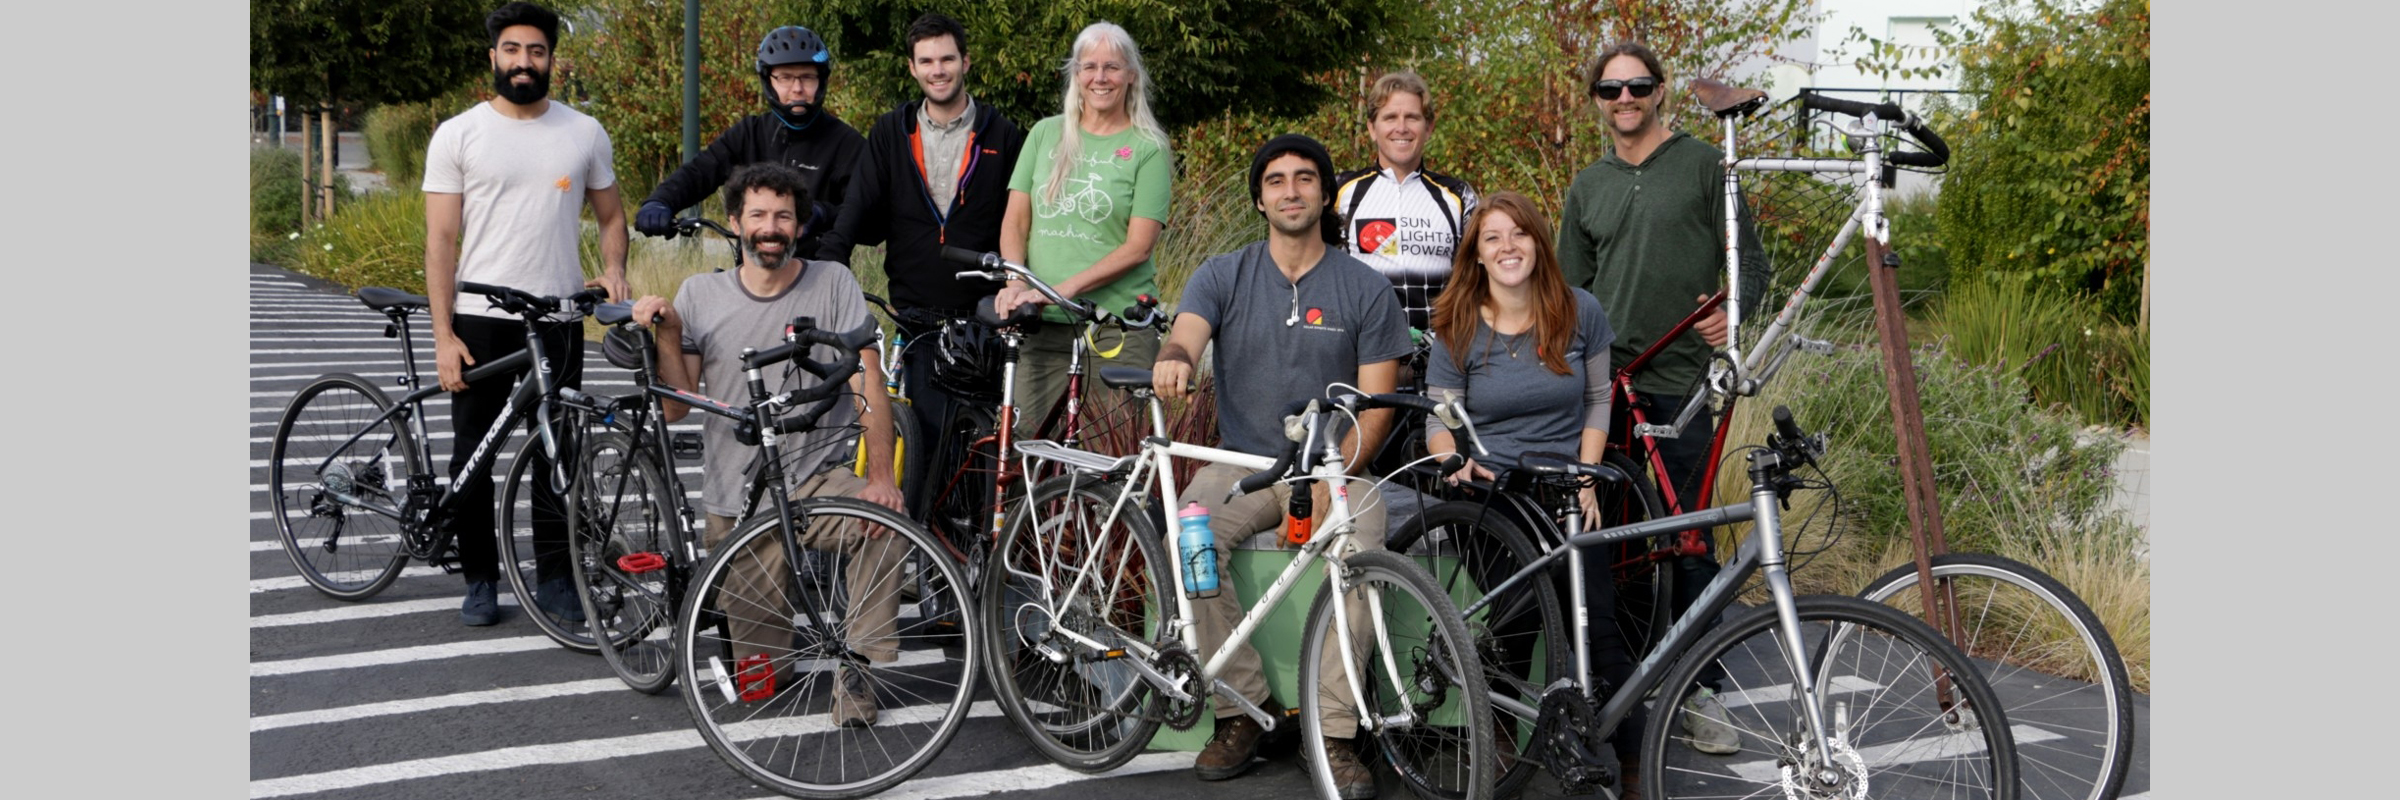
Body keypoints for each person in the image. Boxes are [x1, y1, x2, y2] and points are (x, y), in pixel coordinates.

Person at [1152, 134, 1411, 800]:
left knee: (1358, 537)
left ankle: (1330, 733)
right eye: (1275, 180)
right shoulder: (1224, 274)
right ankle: (1242, 711)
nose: (1290, 190)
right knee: (1190, 530)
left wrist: (1336, 474)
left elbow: (1377, 404)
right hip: (1245, 461)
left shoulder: (1364, 287)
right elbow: (1187, 330)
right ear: (1260, 197)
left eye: (1304, 179)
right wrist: (1177, 355)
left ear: (1326, 194)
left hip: (1336, 465)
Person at [629, 163, 906, 727]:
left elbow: (868, 380)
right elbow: (676, 405)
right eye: (757, 215)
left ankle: (856, 671)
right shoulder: (700, 294)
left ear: (799, 225)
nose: (771, 227)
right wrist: (666, 331)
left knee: (885, 527)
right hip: (738, 500)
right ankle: (735, 620)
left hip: (816, 479)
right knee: (765, 681)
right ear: (736, 224)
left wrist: (881, 479)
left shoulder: (833, 283)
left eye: (783, 215)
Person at [1554, 41, 1770, 756]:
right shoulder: (1589, 185)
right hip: (1603, 389)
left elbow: (1752, 266)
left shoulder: (1709, 166)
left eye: (1637, 87)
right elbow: (1566, 296)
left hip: (1678, 381)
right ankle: (1613, 683)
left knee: (1690, 536)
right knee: (1605, 542)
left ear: (1660, 90)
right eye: (1610, 90)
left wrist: (1729, 312)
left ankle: (1702, 692)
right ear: (1596, 99)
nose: (1624, 100)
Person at [1421, 191, 1646, 797]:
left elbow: (1599, 400)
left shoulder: (1579, 311)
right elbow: (1438, 421)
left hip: (1567, 486)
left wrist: (1587, 473)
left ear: (1538, 243)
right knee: (1520, 613)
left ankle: (1632, 756)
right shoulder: (1457, 322)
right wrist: (1453, 459)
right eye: (1492, 238)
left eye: (1518, 234)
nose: (1507, 247)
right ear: (1476, 255)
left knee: (1596, 624)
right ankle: (1497, 730)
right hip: (1492, 497)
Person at [423, 1, 630, 628]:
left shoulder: (584, 132)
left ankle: (556, 577)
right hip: (481, 318)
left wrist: (615, 268)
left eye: (536, 51)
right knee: (473, 455)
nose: (523, 62)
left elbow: (612, 216)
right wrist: (443, 335)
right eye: (512, 50)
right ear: (494, 56)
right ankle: (480, 577)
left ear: (550, 60)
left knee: (557, 455)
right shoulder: (459, 134)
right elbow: (440, 242)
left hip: (560, 318)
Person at [818, 12, 1026, 519]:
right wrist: (824, 269)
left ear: (965, 62)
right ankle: (938, 566)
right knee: (930, 445)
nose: (939, 70)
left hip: (988, 314)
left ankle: (986, 554)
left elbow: (1024, 222)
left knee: (992, 448)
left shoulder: (1005, 133)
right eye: (927, 61)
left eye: (947, 59)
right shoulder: (891, 131)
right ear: (912, 68)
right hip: (919, 316)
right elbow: (857, 209)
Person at [996, 21, 1172, 439]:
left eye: (1112, 66)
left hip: (1114, 328)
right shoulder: (1045, 133)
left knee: (1105, 461)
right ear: (1075, 73)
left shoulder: (1148, 147)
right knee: (1023, 450)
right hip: (1041, 324)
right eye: (1089, 66)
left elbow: (1137, 248)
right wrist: (1017, 281)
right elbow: (1016, 220)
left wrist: (1057, 290)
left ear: (1131, 74)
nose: (1100, 77)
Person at [632, 25, 866, 262]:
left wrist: (823, 214)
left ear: (821, 81)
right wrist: (660, 202)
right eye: (785, 77)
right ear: (768, 81)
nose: (797, 88)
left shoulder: (847, 144)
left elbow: (872, 220)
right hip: (752, 277)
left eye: (807, 77)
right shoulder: (749, 133)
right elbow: (700, 171)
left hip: (819, 277)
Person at [1332, 69, 1478, 335]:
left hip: (1440, 357)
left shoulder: (1459, 195)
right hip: (1362, 354)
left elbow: (1476, 279)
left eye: (1412, 117)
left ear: (1429, 127)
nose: (1402, 127)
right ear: (1372, 128)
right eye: (1390, 117)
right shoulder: (1339, 189)